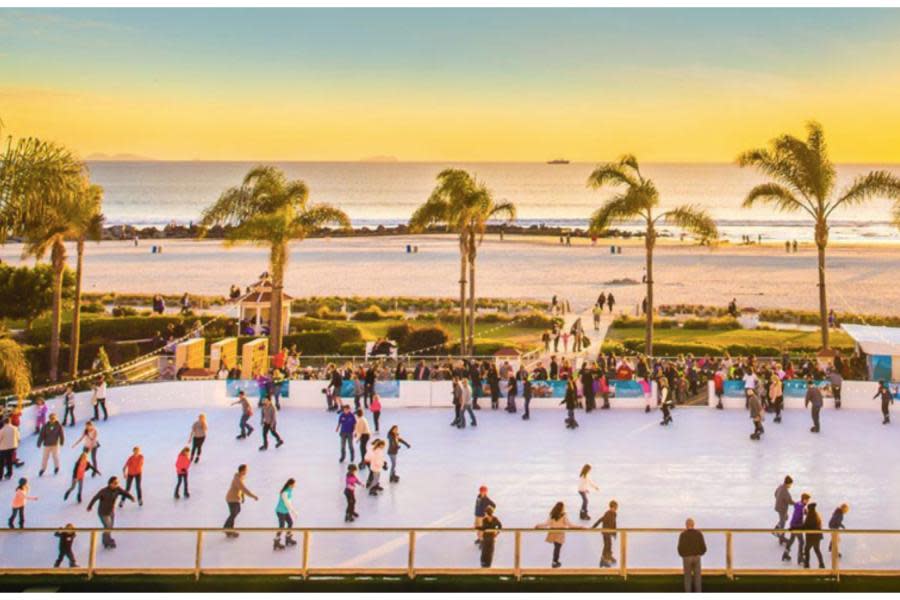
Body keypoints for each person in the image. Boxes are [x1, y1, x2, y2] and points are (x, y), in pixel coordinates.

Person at [87, 476, 135, 549]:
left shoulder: (118, 489)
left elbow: (124, 493)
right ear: (110, 484)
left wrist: (131, 497)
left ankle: (105, 538)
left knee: (110, 527)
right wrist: (90, 506)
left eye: (117, 483)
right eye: (115, 483)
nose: (117, 484)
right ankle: (107, 541)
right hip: (103, 513)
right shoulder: (104, 491)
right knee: (108, 527)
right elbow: (95, 497)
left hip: (111, 512)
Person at [536, 501, 582, 568]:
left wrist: (538, 525)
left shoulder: (552, 515)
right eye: (564, 507)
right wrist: (579, 527)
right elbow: (569, 525)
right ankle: (555, 562)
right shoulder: (563, 515)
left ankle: (555, 561)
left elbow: (546, 524)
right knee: (557, 548)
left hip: (553, 532)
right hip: (560, 533)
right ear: (561, 508)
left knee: (556, 548)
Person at [224, 464, 258, 538]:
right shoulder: (238, 479)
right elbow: (244, 489)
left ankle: (229, 530)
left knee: (236, 512)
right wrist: (253, 496)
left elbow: (240, 489)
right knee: (234, 513)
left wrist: (242, 497)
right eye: (246, 470)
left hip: (235, 498)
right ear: (242, 470)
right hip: (232, 498)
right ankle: (227, 528)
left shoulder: (240, 477)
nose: (247, 471)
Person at [677, 518, 707, 593]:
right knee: (697, 578)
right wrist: (700, 553)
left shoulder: (683, 534)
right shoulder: (698, 534)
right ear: (693, 525)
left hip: (686, 557)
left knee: (687, 578)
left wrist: (683, 555)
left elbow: (680, 547)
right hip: (697, 557)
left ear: (686, 525)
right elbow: (704, 547)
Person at [783, 493, 810, 563]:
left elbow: (799, 512)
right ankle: (800, 558)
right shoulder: (801, 507)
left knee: (791, 540)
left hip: (794, 525)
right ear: (804, 500)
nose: (808, 502)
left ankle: (785, 554)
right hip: (797, 527)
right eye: (807, 500)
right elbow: (797, 517)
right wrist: (800, 525)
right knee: (801, 542)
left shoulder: (799, 504)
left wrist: (805, 512)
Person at [273, 479, 299, 550]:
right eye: (294, 484)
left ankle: (288, 539)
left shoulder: (289, 490)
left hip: (285, 510)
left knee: (290, 522)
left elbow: (289, 502)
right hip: (280, 511)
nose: (295, 485)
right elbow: (287, 503)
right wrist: (294, 512)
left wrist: (292, 510)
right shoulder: (285, 492)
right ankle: (276, 542)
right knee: (282, 526)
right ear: (290, 484)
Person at [592, 500, 618, 567]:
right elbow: (600, 520)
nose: (615, 509)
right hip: (605, 532)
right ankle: (604, 559)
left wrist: (614, 533)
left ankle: (608, 556)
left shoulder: (615, 514)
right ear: (611, 507)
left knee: (609, 544)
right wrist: (593, 527)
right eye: (614, 508)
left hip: (609, 532)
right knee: (607, 544)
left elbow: (614, 523)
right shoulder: (607, 513)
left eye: (616, 508)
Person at [802, 502, 825, 569]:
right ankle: (821, 564)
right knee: (817, 549)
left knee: (807, 550)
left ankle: (807, 564)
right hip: (817, 536)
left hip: (811, 537)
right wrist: (806, 513)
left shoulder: (810, 516)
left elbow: (806, 526)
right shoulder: (816, 515)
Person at [773, 476, 794, 546]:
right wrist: (796, 504)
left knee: (785, 518)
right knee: (783, 523)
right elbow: (789, 501)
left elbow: (775, 494)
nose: (791, 485)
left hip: (778, 506)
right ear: (788, 483)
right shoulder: (785, 491)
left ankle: (776, 528)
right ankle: (781, 538)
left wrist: (779, 499)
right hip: (782, 509)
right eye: (791, 484)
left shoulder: (780, 486)